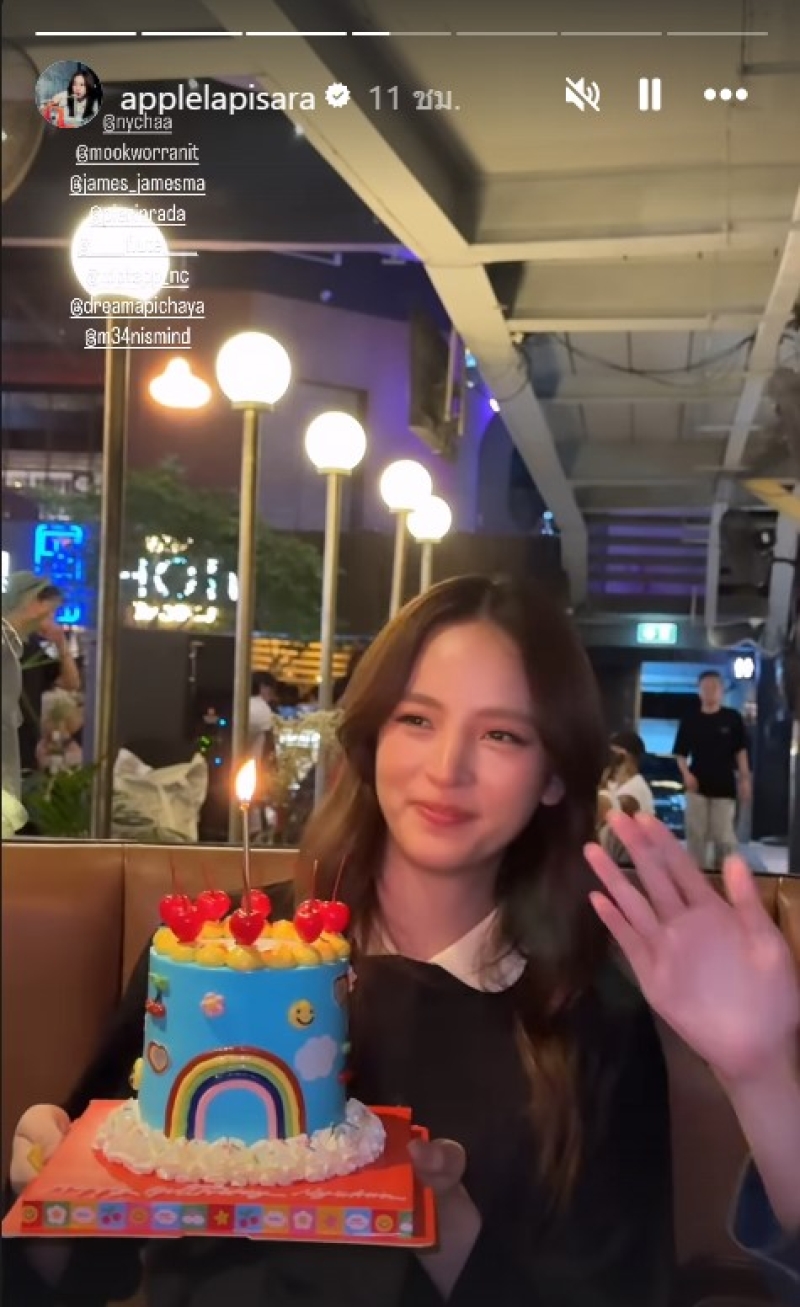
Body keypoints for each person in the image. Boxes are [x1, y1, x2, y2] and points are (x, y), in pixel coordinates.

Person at [6, 577, 799, 1307]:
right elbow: (79, 1257)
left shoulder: (590, 1008)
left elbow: (615, 1286)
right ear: (372, 736)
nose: (446, 768)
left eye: (502, 734)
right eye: (417, 719)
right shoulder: (212, 954)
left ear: (555, 774)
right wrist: (41, 1194)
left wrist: (446, 1226)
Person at [674, 671, 751, 869]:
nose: (710, 691)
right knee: (696, 835)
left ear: (722, 690)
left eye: (714, 687)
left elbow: (741, 752)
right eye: (705, 687)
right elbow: (680, 753)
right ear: (699, 690)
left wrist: (745, 780)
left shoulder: (732, 718)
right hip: (696, 783)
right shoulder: (690, 719)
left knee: (723, 835)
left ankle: (726, 873)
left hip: (724, 784)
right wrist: (686, 774)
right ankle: (696, 874)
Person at [1, 573, 65, 802]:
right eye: (48, 611)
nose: (49, 618)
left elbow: (70, 682)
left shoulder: (27, 646)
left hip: (23, 750)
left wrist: (61, 643)